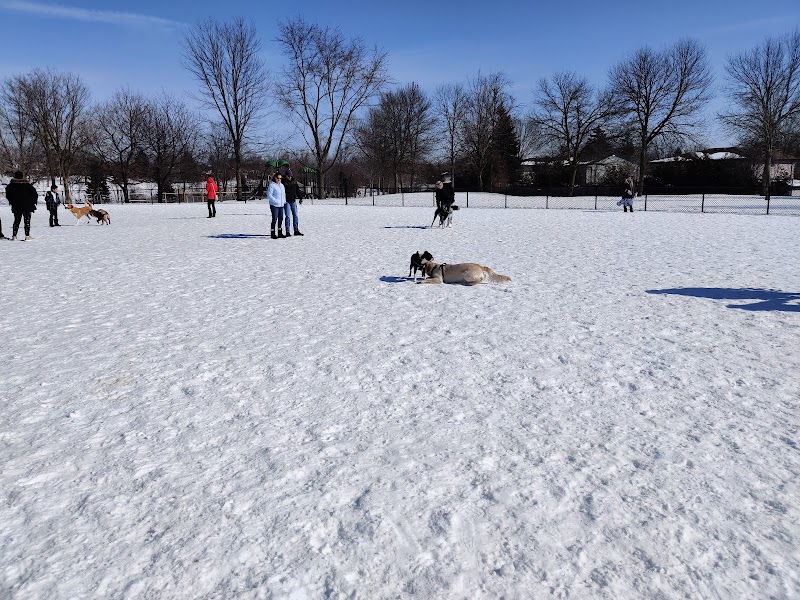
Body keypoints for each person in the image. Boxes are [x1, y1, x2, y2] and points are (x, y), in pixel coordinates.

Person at [6, 171, 38, 240]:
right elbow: (34, 194)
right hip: (27, 206)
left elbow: (8, 195)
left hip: (16, 206)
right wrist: (33, 202)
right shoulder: (28, 185)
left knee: (16, 220)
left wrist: (12, 202)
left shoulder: (11, 186)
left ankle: (14, 235)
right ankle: (27, 235)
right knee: (27, 221)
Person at [267, 172, 286, 239]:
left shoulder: (282, 185)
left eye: (280, 178)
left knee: (281, 218)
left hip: (281, 205)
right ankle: (273, 232)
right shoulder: (272, 185)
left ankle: (280, 232)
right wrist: (275, 201)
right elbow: (269, 195)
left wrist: (284, 201)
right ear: (275, 178)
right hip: (274, 205)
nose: (279, 179)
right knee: (274, 218)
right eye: (278, 178)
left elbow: (283, 195)